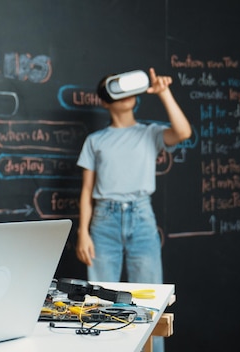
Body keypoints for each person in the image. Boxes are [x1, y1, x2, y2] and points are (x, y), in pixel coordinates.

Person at [75, 68, 191, 352]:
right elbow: (87, 191)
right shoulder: (96, 141)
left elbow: (183, 132)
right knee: (100, 301)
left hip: (141, 218)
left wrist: (163, 92)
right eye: (115, 89)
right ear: (106, 100)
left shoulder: (150, 133)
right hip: (104, 221)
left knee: (153, 300)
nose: (125, 94)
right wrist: (83, 233)